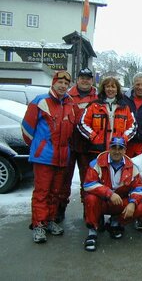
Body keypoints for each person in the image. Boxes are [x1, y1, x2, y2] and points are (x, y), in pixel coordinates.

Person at [21, 70, 75, 243]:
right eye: (60, 82)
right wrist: (40, 147)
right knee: (42, 192)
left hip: (62, 157)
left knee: (56, 192)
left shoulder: (70, 104)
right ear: (53, 83)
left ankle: (50, 220)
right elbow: (27, 130)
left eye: (66, 84)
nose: (63, 86)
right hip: (44, 158)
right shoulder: (40, 101)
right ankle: (38, 225)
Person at [83, 137, 142, 252]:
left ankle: (114, 223)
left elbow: (138, 187)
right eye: (114, 148)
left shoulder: (132, 166)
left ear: (125, 150)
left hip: (118, 203)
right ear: (109, 148)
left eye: (120, 148)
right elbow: (88, 184)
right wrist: (109, 193)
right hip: (101, 201)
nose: (117, 151)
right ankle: (92, 232)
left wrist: (133, 203)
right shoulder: (96, 163)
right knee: (90, 199)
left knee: (139, 207)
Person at [57, 68, 98, 222]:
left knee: (88, 180)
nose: (85, 81)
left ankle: (88, 211)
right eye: (82, 78)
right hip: (68, 143)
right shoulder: (67, 96)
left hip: (89, 145)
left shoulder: (98, 97)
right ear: (77, 79)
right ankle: (59, 209)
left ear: (92, 80)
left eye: (88, 78)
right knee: (63, 180)